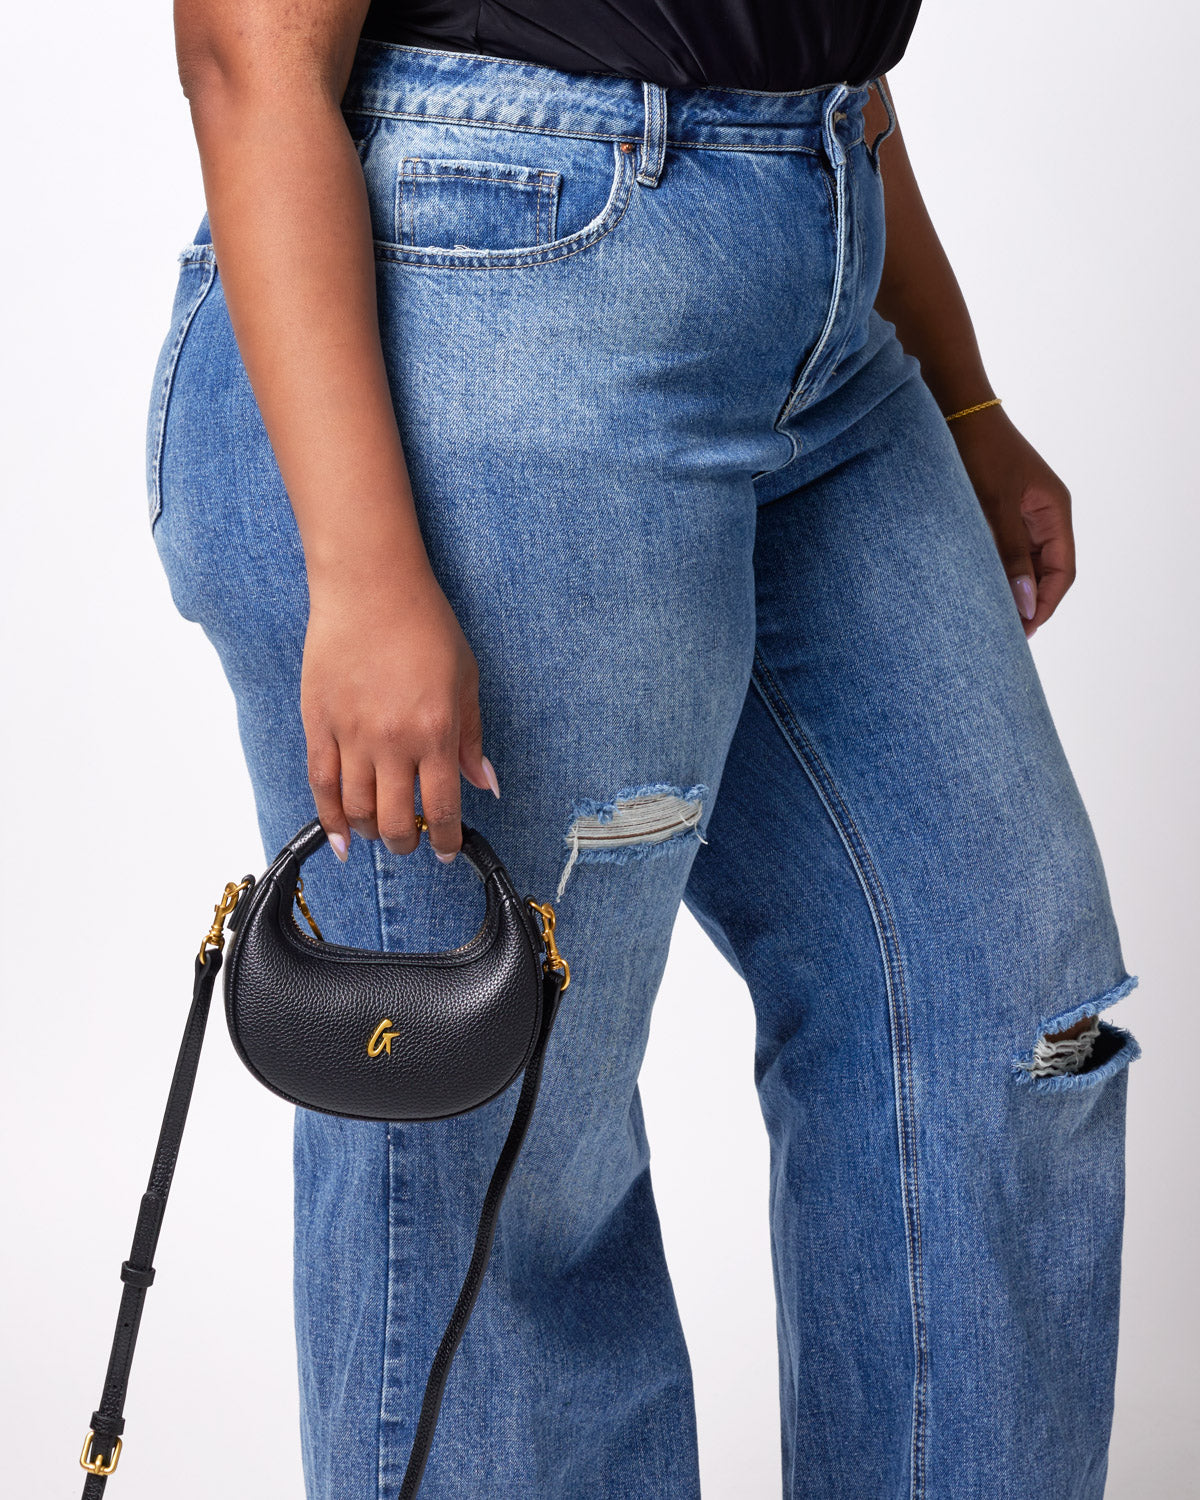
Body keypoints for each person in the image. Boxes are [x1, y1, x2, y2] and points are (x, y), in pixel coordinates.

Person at [152, 1, 1139, 1494]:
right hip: (500, 289)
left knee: (997, 1022)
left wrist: (964, 388)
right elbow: (247, 44)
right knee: (498, 1159)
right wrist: (361, 566)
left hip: (818, 277)